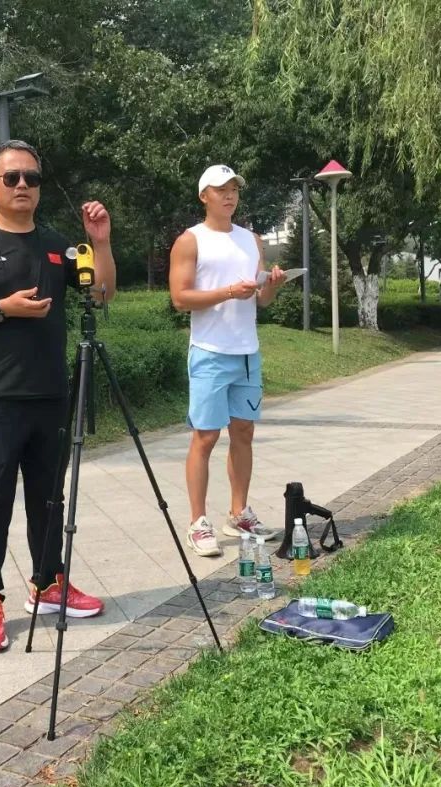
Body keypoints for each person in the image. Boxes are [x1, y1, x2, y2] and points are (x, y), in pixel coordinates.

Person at [0, 140, 116, 653]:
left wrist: (100, 243)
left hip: (51, 392)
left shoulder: (57, 244)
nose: (22, 186)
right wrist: (1, 308)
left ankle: (49, 583)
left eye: (31, 178)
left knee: (49, 497)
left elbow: (101, 294)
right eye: (11, 178)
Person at [168, 164, 286, 557]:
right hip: (210, 352)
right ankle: (197, 522)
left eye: (234, 188)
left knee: (244, 432)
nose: (230, 195)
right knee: (205, 436)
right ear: (204, 196)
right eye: (221, 189)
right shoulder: (190, 241)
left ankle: (239, 514)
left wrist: (272, 285)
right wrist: (227, 292)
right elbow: (180, 298)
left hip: (247, 352)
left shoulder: (251, 239)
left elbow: (260, 300)